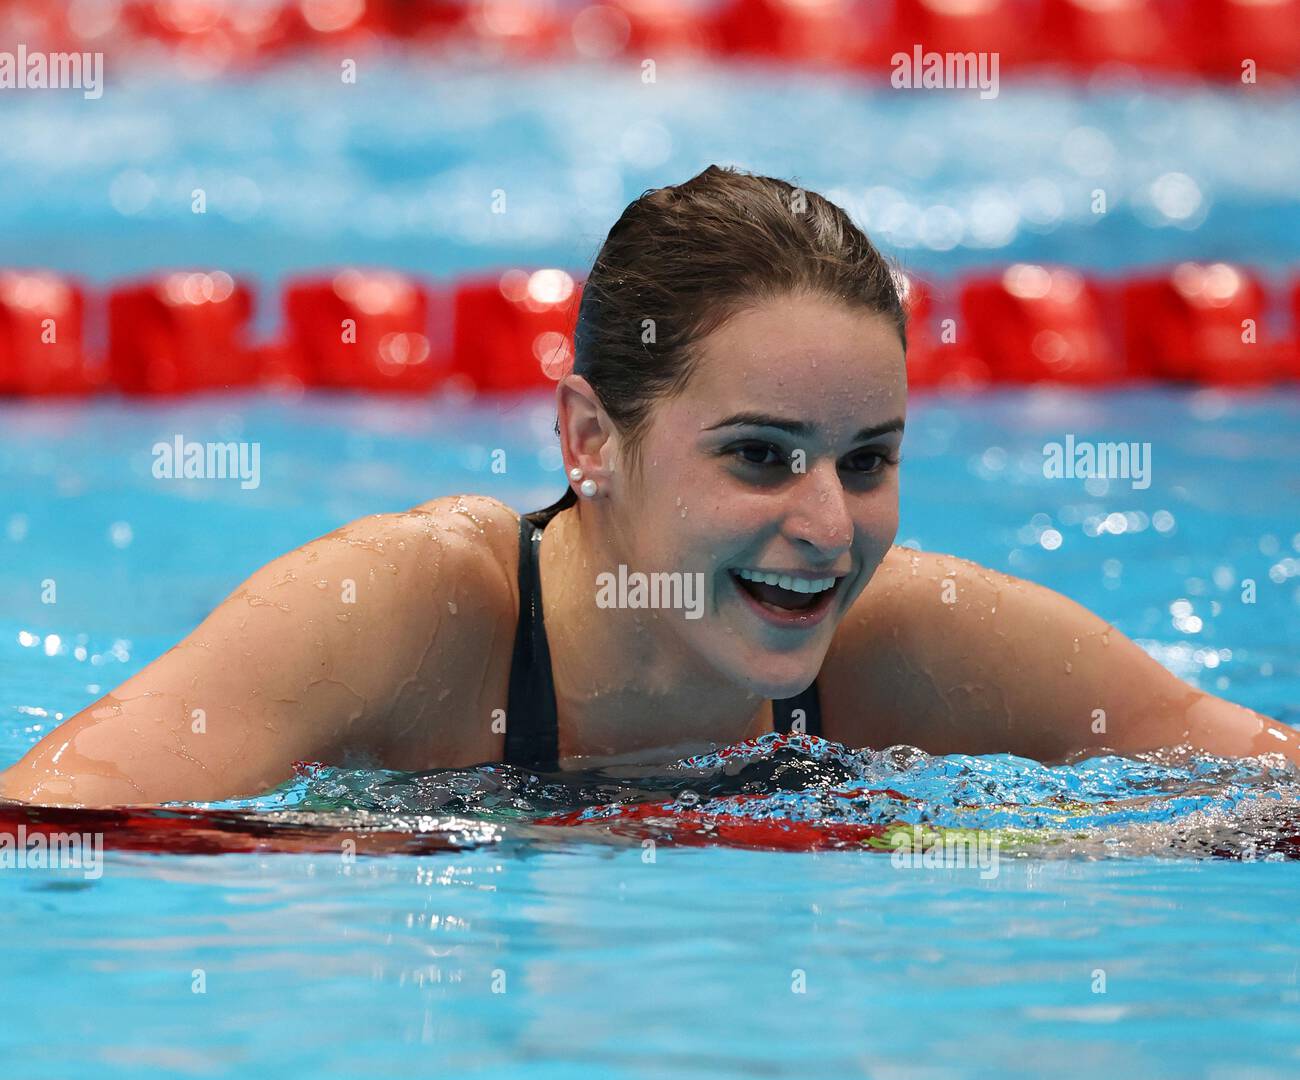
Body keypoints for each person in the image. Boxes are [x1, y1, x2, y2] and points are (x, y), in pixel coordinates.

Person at [3, 165, 1296, 806]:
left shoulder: (911, 637)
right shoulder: (411, 610)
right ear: (589, 438)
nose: (829, 529)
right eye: (759, 453)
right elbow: (48, 843)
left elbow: (1269, 783)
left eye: (869, 460)